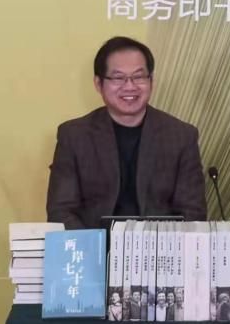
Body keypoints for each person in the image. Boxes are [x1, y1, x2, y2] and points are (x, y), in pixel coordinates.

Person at [46, 36, 207, 229]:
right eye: (118, 78)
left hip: (160, 245)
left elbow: (193, 213)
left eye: (138, 77)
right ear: (98, 84)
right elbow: (61, 211)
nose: (130, 86)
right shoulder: (74, 136)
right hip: (93, 244)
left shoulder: (181, 136)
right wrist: (92, 246)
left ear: (151, 81)